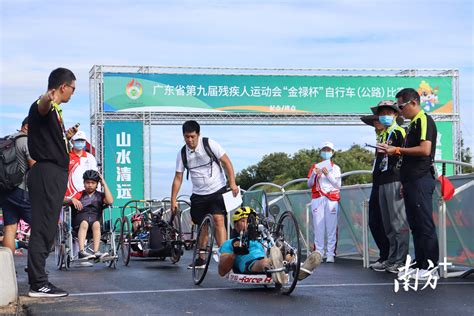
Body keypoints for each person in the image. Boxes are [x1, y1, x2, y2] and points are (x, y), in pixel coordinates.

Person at [27, 67, 78, 298]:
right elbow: (41, 107)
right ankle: (38, 283)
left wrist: (65, 137)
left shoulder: (57, 112)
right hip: (46, 173)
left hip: (54, 173)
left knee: (48, 228)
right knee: (44, 227)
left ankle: (38, 276)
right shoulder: (44, 106)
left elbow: (51, 140)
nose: (73, 94)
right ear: (62, 87)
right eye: (72, 89)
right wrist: (46, 97)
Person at [379, 88, 439, 280]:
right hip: (411, 180)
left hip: (421, 178)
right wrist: (405, 181)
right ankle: (421, 264)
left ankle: (431, 267)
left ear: (413, 102)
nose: (400, 110)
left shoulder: (423, 119)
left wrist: (396, 150)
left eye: (401, 106)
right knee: (415, 224)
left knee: (424, 223)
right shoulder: (412, 124)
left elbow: (425, 149)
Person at [170, 120, 239, 268]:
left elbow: (227, 162)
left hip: (217, 189)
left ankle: (224, 256)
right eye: (186, 137)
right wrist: (173, 199)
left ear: (198, 135)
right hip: (198, 194)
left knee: (219, 220)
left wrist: (232, 182)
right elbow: (178, 177)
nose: (190, 140)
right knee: (203, 226)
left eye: (192, 136)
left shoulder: (210, 144)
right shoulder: (182, 153)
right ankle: (201, 258)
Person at [218, 207, 322, 283]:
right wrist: (234, 253)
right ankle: (275, 265)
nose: (249, 223)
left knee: (279, 245)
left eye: (252, 220)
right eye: (244, 220)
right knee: (264, 261)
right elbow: (222, 271)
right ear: (236, 225)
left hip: (271, 255)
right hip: (252, 263)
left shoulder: (264, 237)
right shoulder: (231, 243)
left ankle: (299, 268)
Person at [370, 100, 409, 274]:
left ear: (395, 114)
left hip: (395, 179)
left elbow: (406, 157)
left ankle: (401, 260)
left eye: (388, 112)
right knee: (388, 224)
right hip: (383, 180)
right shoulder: (384, 134)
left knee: (398, 222)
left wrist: (404, 181)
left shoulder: (400, 131)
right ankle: (391, 258)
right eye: (381, 113)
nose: (384, 116)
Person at [361, 113, 390, 271]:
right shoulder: (380, 138)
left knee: (390, 223)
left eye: (378, 120)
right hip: (378, 183)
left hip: (389, 182)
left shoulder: (395, 134)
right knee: (374, 221)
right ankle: (385, 254)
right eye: (374, 121)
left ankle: (391, 256)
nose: (375, 123)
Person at [2, 117, 36, 254]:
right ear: (27, 127)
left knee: (10, 228)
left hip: (4, 191)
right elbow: (34, 167)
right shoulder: (26, 141)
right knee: (39, 226)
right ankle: (34, 265)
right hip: (22, 191)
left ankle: (7, 268)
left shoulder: (7, 139)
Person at [64, 170, 113, 260]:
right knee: (84, 223)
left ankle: (96, 252)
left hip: (95, 220)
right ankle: (81, 251)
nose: (90, 185)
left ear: (97, 184)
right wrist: (71, 200)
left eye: (93, 183)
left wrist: (104, 184)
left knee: (97, 224)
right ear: (84, 183)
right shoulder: (79, 194)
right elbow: (63, 201)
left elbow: (110, 201)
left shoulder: (100, 195)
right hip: (80, 222)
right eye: (87, 182)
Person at [307, 142, 342, 263]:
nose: (326, 152)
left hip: (331, 199)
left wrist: (328, 174)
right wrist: (313, 175)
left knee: (331, 227)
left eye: (329, 150)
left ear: (332, 152)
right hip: (317, 198)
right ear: (321, 151)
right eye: (324, 149)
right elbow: (309, 184)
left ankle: (331, 253)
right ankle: (319, 253)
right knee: (318, 226)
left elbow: (338, 185)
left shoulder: (336, 168)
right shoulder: (315, 167)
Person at [65, 130, 98, 199]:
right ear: (72, 141)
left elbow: (95, 175)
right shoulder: (67, 157)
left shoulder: (90, 157)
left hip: (86, 194)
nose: (80, 142)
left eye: (82, 140)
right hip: (70, 194)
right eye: (77, 140)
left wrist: (97, 192)